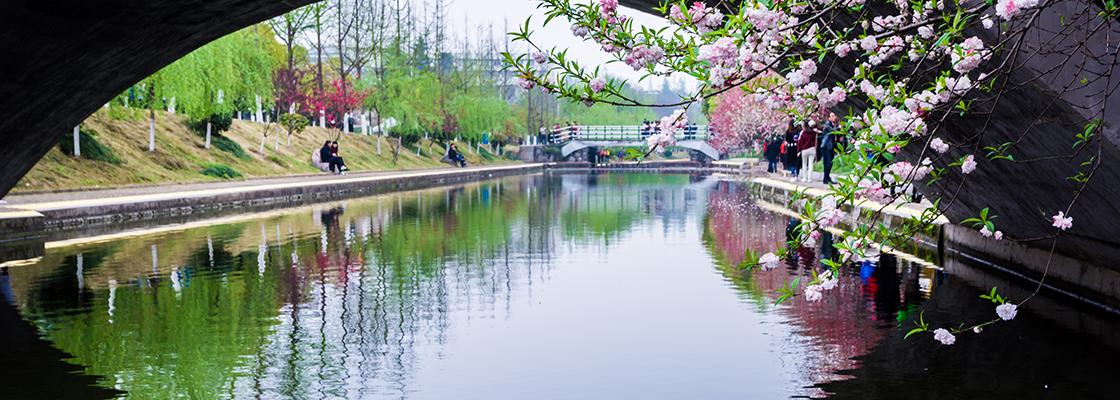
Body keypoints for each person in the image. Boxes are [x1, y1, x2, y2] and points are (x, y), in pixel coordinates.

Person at [820, 113, 840, 184]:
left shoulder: (833, 124)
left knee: (830, 163)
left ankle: (827, 178)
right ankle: (826, 179)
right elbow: (832, 130)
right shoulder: (827, 124)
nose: (834, 117)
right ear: (829, 118)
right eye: (832, 116)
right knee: (827, 163)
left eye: (834, 115)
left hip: (831, 146)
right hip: (826, 146)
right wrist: (838, 127)